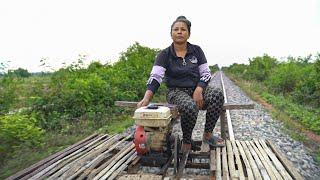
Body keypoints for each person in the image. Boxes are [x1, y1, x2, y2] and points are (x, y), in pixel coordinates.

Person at [137, 16, 225, 152]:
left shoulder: (197, 50)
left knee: (217, 94)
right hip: (176, 92)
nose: (179, 32)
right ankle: (187, 140)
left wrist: (199, 90)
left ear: (188, 33)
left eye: (183, 29)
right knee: (190, 106)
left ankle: (208, 134)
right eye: (176, 29)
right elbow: (155, 77)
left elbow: (206, 74)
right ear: (171, 33)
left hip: (196, 89)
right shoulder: (164, 54)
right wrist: (146, 98)